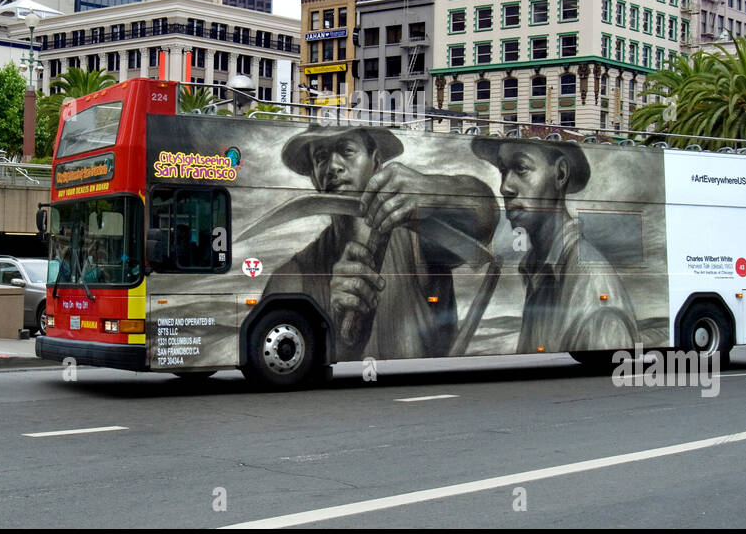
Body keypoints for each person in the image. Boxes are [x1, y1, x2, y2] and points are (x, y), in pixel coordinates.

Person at [260, 125, 497, 360]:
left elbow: (485, 219)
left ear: (375, 161)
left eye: (347, 151)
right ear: (314, 176)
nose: (333, 166)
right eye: (321, 157)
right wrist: (342, 331)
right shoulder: (292, 276)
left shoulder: (419, 239)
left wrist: (435, 190)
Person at [472, 137, 638, 354]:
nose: (505, 187)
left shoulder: (590, 286)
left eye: (521, 168)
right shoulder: (541, 270)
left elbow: (607, 383)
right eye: (504, 171)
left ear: (560, 174)